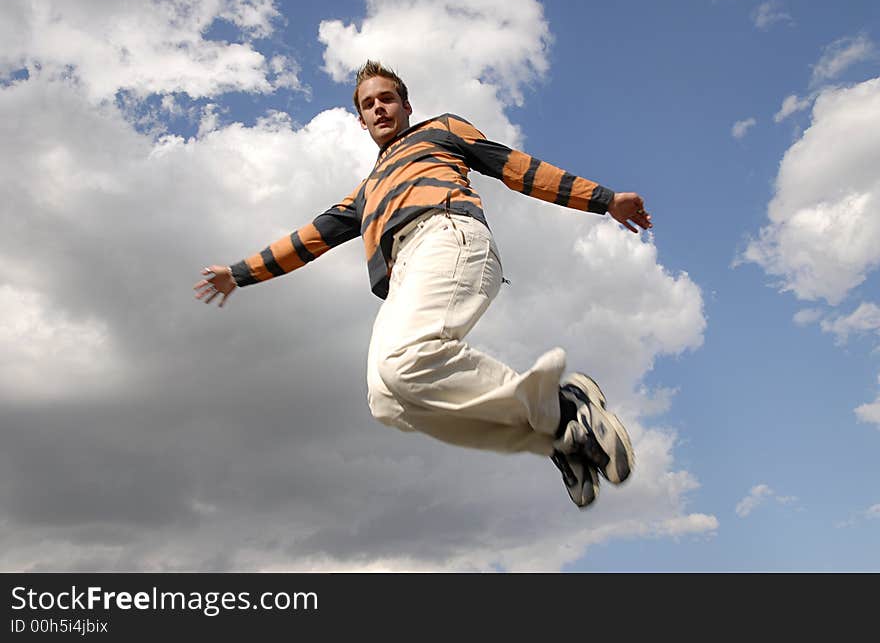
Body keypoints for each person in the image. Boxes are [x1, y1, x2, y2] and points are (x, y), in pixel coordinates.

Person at [194, 60, 652, 508]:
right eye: (368, 104)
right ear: (360, 120)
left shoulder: (441, 130)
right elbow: (309, 238)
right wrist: (238, 273)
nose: (378, 108)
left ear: (406, 106)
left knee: (403, 362)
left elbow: (516, 167)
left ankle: (563, 406)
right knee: (386, 400)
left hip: (447, 233)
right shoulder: (366, 191)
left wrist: (604, 199)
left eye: (387, 99)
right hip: (403, 275)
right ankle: (558, 436)